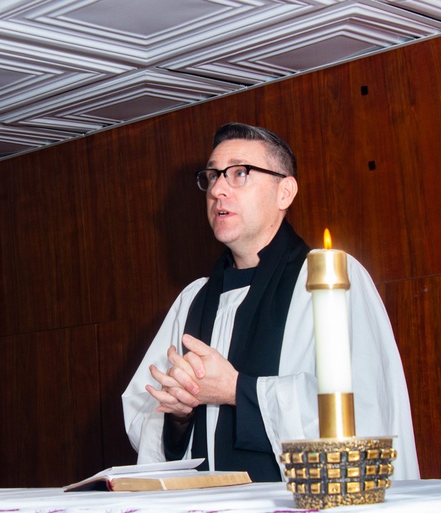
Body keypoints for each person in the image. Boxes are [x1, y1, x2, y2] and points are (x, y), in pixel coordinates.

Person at [121, 123, 419, 482]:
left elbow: (360, 411)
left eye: (239, 173)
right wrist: (179, 415)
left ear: (285, 192)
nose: (218, 189)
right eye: (212, 176)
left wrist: (236, 390)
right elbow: (142, 415)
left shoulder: (328, 280)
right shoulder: (194, 300)